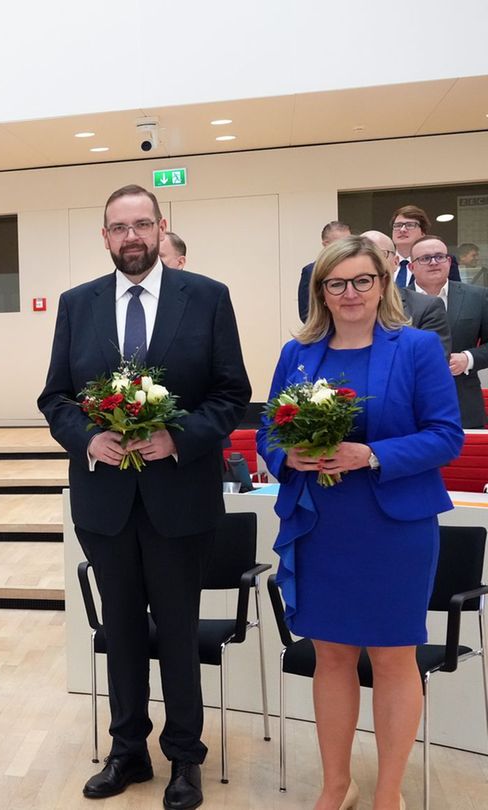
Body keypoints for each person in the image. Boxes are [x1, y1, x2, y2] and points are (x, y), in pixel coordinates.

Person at [37, 184, 250, 810]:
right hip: (105, 501)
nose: (130, 237)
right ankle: (127, 750)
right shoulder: (78, 305)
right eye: (117, 227)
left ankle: (186, 758)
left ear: (160, 228)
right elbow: (55, 398)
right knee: (121, 630)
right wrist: (88, 439)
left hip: (179, 499)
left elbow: (231, 393)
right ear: (104, 237)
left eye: (141, 225)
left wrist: (174, 438)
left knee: (178, 631)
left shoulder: (207, 298)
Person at [257, 235, 462, 810]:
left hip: (395, 524)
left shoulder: (417, 347)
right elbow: (271, 430)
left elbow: (446, 435)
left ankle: (389, 793)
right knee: (332, 654)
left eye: (361, 281)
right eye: (335, 283)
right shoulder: (298, 352)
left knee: (395, 656)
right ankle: (335, 785)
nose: (349, 293)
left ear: (382, 284)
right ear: (320, 290)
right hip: (321, 522)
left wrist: (370, 455)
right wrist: (286, 456)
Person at [410, 235, 488, 428]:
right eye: (425, 258)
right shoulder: (395, 301)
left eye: (439, 256)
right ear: (411, 267)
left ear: (449, 261)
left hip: (463, 404)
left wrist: (468, 358)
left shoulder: (477, 296)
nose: (434, 262)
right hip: (409, 406)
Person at [361, 230, 450, 356]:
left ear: (396, 262)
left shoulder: (426, 307)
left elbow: (433, 363)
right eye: (360, 255)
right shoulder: (341, 304)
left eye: (378, 254)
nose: (368, 261)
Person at [389, 205, 461, 288]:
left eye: (410, 225)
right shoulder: (382, 262)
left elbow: (456, 295)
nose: (402, 230)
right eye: (398, 225)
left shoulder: (441, 261)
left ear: (423, 233)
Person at [296, 221, 352, 322]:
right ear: (326, 244)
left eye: (349, 242)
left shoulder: (358, 269)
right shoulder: (311, 271)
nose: (346, 247)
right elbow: (306, 313)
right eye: (340, 243)